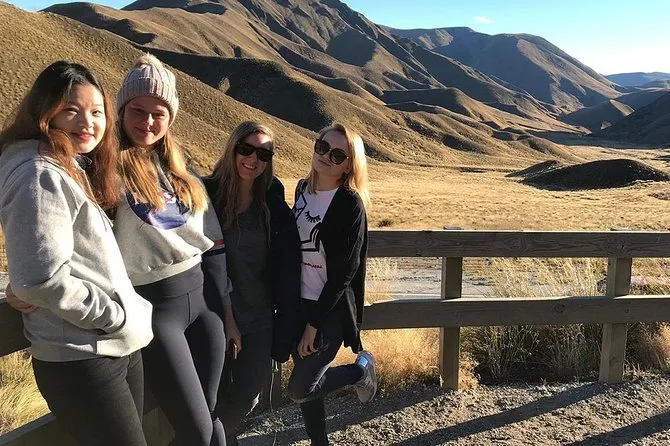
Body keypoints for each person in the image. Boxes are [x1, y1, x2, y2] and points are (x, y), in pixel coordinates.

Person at [0, 61, 153, 446]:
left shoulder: (63, 164)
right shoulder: (39, 173)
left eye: (97, 112)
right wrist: (114, 316)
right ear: (45, 112)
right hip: (83, 355)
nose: (88, 122)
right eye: (72, 110)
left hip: (105, 346)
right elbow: (40, 279)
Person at [113, 54, 229, 446]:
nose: (147, 121)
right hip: (156, 310)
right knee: (196, 431)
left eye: (158, 113)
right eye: (138, 110)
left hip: (203, 303)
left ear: (170, 119)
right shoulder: (105, 169)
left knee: (211, 418)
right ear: (121, 110)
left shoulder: (181, 169)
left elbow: (210, 239)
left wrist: (226, 310)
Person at [203, 121, 301, 445]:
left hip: (259, 315)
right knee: (211, 396)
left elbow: (289, 263)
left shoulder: (272, 203)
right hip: (214, 314)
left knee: (248, 394)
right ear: (232, 148)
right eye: (246, 149)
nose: (253, 159)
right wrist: (227, 317)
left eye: (263, 153)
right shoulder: (207, 195)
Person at [287, 123, 378, 445]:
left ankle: (360, 371)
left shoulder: (349, 204)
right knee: (309, 379)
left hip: (330, 309)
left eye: (338, 155)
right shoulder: (302, 189)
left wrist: (313, 324)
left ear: (349, 165)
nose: (326, 156)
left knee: (300, 389)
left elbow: (344, 273)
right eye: (322, 147)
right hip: (298, 302)